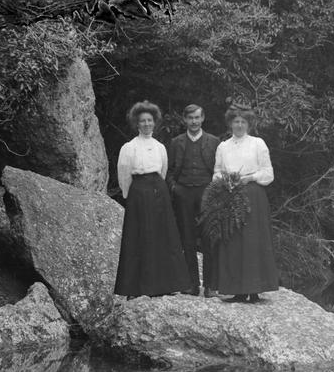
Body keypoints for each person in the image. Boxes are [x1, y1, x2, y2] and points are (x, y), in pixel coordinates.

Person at [113, 101, 193, 298]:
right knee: (138, 237)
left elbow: (163, 171)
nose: (147, 124)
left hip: (159, 192)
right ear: (137, 124)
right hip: (138, 193)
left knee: (163, 236)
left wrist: (157, 189)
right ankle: (135, 288)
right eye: (143, 121)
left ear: (154, 123)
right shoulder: (129, 147)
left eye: (150, 121)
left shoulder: (160, 147)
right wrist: (131, 196)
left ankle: (164, 285)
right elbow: (124, 176)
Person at [209, 105, 280, 303]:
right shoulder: (223, 146)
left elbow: (268, 173)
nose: (239, 125)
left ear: (249, 124)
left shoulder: (258, 144)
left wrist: (249, 178)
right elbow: (216, 172)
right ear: (230, 123)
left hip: (253, 195)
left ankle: (255, 289)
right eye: (236, 121)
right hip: (230, 195)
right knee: (233, 241)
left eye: (243, 122)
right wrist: (224, 181)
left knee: (253, 241)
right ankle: (237, 290)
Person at [166, 104, 221, 297]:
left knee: (210, 239)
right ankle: (191, 284)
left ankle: (210, 285)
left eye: (197, 117)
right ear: (184, 120)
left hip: (207, 193)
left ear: (203, 118)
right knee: (187, 239)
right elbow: (170, 171)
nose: (194, 122)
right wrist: (175, 188)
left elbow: (219, 169)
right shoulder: (176, 142)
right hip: (184, 194)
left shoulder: (214, 142)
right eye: (190, 118)